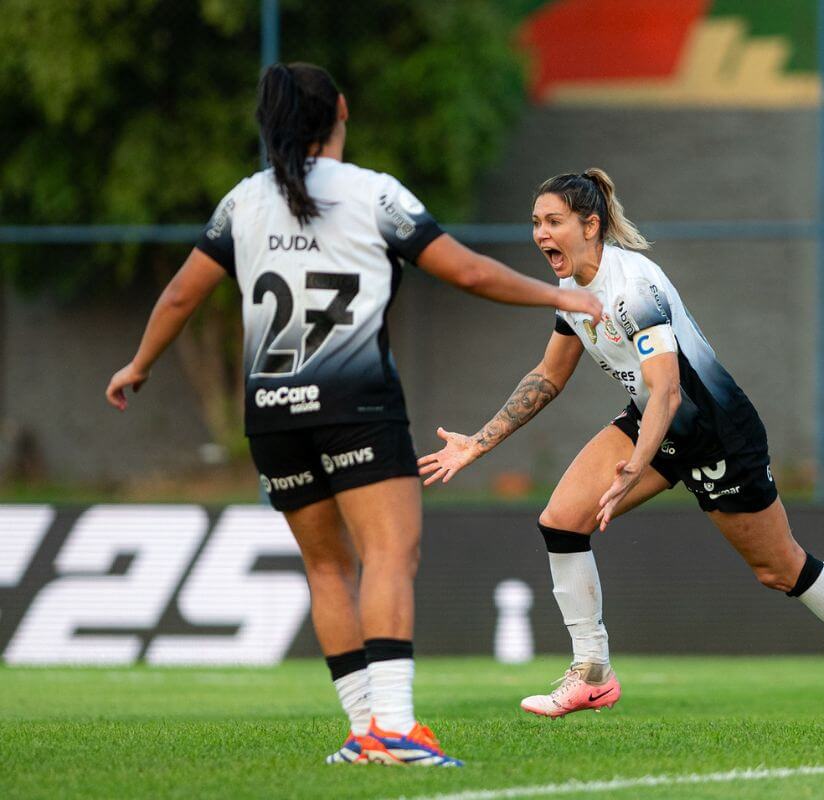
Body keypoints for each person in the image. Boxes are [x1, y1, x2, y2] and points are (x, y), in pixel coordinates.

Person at [105, 64, 601, 766]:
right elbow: (465, 270)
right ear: (340, 110)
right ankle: (393, 729)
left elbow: (183, 295)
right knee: (389, 555)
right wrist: (560, 298)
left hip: (271, 410)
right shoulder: (373, 194)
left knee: (327, 568)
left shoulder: (244, 201)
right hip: (355, 404)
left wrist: (140, 364)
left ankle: (363, 728)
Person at [418, 169, 824, 735]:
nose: (541, 234)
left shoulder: (634, 287)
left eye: (554, 221)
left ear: (591, 225)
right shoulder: (574, 294)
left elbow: (668, 388)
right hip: (656, 424)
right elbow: (549, 376)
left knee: (778, 568)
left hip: (716, 432)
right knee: (561, 522)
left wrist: (635, 467)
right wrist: (476, 443)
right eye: (536, 222)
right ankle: (592, 671)